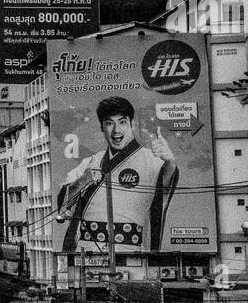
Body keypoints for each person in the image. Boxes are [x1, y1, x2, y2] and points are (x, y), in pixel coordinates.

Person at [54, 94, 179, 255]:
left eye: (122, 122)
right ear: (102, 128)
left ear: (131, 124)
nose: (116, 130)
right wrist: (83, 180)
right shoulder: (90, 162)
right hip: (86, 249)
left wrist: (170, 161)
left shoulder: (153, 160)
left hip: (131, 250)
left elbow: (166, 184)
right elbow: (62, 211)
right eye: (109, 123)